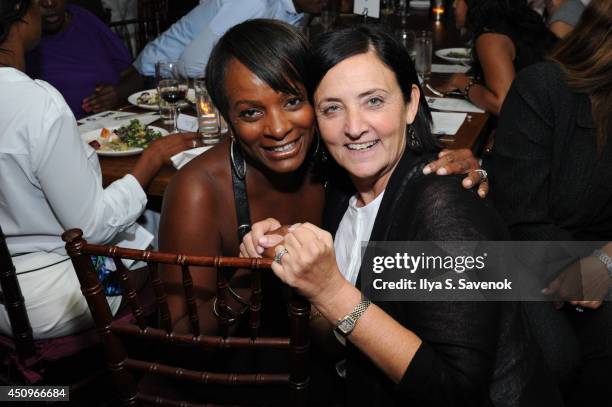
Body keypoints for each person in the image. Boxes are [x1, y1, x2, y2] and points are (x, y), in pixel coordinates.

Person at [240, 24, 564, 407]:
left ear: (411, 103)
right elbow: (339, 345)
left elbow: (456, 390)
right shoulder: (340, 197)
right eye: (332, 108)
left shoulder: (443, 207)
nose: (354, 127)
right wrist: (299, 276)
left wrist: (332, 291)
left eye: (373, 101)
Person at [158, 19, 487, 334]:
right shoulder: (199, 189)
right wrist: (248, 275)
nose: (278, 128)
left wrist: (469, 174)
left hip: (338, 356)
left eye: (292, 101)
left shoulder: (340, 158)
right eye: (251, 112)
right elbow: (182, 335)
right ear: (227, 118)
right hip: (247, 378)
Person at [0, 0, 199, 339]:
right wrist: (149, 161)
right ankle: (178, 358)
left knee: (143, 225)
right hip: (53, 298)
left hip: (9, 290)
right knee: (172, 253)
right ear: (22, 13)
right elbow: (90, 228)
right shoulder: (37, 103)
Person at [485, 1, 612, 405]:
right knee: (556, 356)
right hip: (529, 259)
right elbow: (522, 218)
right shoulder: (545, 89)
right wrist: (584, 271)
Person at [24, 0, 145, 118]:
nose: (50, 3)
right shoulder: (19, 45)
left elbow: (135, 77)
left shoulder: (82, 19)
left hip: (116, 125)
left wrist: (118, 93)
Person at [440, 0, 557, 115]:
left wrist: (461, 82)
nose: (454, 5)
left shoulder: (491, 38)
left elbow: (502, 104)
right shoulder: (518, 23)